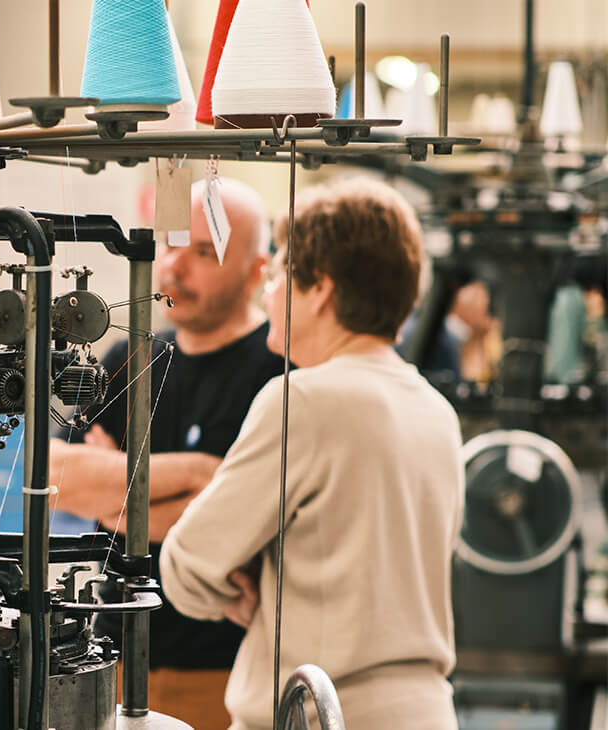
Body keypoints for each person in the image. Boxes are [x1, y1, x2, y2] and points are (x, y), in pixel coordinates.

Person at [159, 178, 464, 730]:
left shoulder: (303, 399)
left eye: (276, 275)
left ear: (319, 288)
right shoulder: (436, 409)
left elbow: (186, 566)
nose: (267, 293)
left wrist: (242, 579)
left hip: (324, 713)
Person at [49, 177, 283, 729]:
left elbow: (256, 523)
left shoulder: (275, 369)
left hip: (227, 667)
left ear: (258, 270)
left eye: (204, 252)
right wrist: (205, 474)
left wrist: (117, 492)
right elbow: (59, 474)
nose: (175, 267)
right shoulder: (131, 356)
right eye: (171, 243)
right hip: (114, 655)